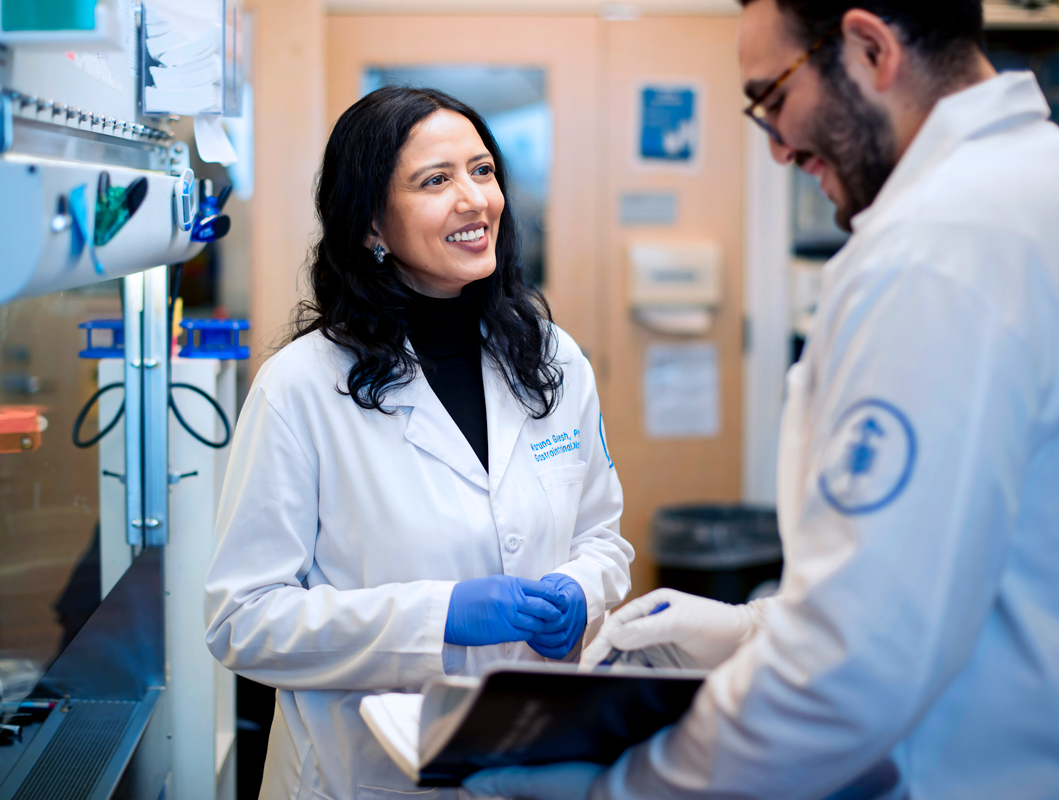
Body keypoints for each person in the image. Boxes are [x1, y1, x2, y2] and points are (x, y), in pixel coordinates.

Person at [465, 1, 1059, 798]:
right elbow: (971, 560)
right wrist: (754, 631)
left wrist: (632, 790)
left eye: (774, 98)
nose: (778, 146)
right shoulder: (1031, 185)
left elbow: (857, 662)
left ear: (870, 49)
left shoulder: (933, 251)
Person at [204, 86, 634, 800]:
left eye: (482, 170)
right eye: (436, 181)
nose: (474, 199)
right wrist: (440, 616)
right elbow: (243, 620)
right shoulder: (302, 387)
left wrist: (581, 592)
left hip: (533, 761)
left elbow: (604, 540)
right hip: (364, 777)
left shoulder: (553, 358)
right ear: (372, 223)